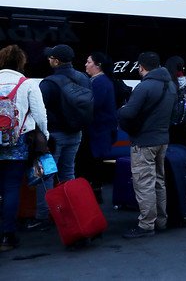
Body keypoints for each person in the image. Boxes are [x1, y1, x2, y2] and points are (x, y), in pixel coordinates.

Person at [116, 51, 176, 239]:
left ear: (142, 67)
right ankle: (161, 220)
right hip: (162, 139)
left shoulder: (144, 87)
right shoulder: (170, 85)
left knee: (144, 183)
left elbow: (129, 113)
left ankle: (146, 224)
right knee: (159, 181)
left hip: (143, 141)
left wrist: (121, 110)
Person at [34, 44, 92, 231]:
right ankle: (70, 210)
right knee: (68, 172)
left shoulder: (49, 83)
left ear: (56, 61)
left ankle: (45, 216)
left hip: (54, 135)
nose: (49, 59)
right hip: (75, 133)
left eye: (51, 58)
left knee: (47, 175)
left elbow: (39, 111)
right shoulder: (83, 78)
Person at [0, 45, 48, 251]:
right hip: (16, 143)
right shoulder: (26, 84)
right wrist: (44, 137)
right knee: (11, 188)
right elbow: (40, 115)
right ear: (21, 62)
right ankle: (6, 237)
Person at [76, 52, 118, 203]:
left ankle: (91, 196)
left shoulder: (99, 82)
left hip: (96, 131)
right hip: (101, 130)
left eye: (88, 62)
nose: (86, 65)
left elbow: (92, 105)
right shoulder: (102, 80)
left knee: (90, 164)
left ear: (98, 65)